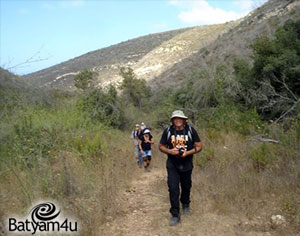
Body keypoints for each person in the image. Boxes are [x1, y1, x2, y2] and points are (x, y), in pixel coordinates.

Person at [159, 110, 202, 226]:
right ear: (172, 120)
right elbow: (161, 146)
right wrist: (170, 151)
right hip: (172, 164)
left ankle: (186, 204)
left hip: (187, 163)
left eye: (180, 118)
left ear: (184, 120)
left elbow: (199, 146)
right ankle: (175, 214)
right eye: (175, 118)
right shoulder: (168, 131)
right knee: (173, 188)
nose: (177, 120)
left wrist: (187, 153)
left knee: (186, 185)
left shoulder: (190, 130)